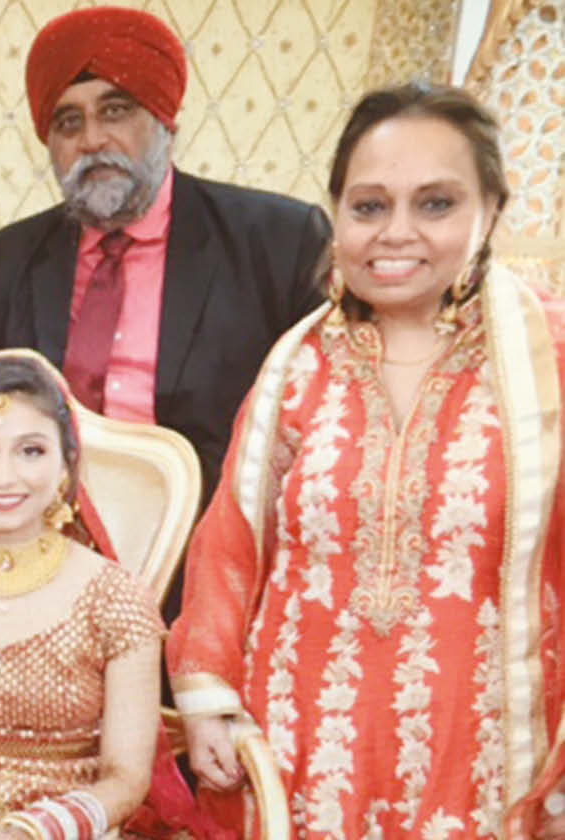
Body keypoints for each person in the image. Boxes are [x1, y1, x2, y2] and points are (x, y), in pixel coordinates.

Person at [168, 82, 565, 839]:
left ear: (493, 210)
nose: (397, 233)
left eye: (437, 204)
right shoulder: (297, 364)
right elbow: (231, 544)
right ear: (338, 214)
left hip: (478, 759)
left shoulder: (549, 363)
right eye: (370, 205)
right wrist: (210, 699)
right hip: (300, 752)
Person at [0, 6, 330, 526]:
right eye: (68, 121)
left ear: (166, 120)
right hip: (36, 553)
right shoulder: (10, 256)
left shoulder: (279, 241)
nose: (92, 140)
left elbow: (323, 430)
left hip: (206, 560)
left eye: (114, 111)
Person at [0, 349, 213, 840]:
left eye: (31, 451)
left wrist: (37, 829)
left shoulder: (116, 601)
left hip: (73, 826)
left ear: (67, 464)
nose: (4, 477)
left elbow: (126, 778)